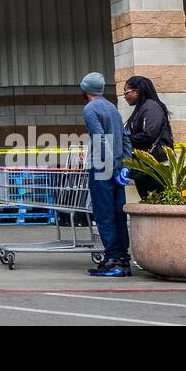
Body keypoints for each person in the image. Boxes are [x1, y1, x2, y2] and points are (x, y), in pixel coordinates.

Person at [80, 72, 131, 277]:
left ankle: (112, 260)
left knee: (104, 215)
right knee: (119, 214)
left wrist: (110, 167)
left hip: (103, 169)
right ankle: (124, 258)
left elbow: (100, 139)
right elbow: (126, 138)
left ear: (84, 89)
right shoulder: (113, 108)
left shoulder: (90, 109)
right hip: (118, 168)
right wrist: (125, 165)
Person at [123, 75, 173, 200]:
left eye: (126, 92)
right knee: (147, 201)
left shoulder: (151, 107)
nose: (124, 96)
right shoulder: (141, 108)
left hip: (155, 166)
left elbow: (149, 135)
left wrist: (125, 139)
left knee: (155, 202)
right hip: (146, 165)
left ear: (136, 91)